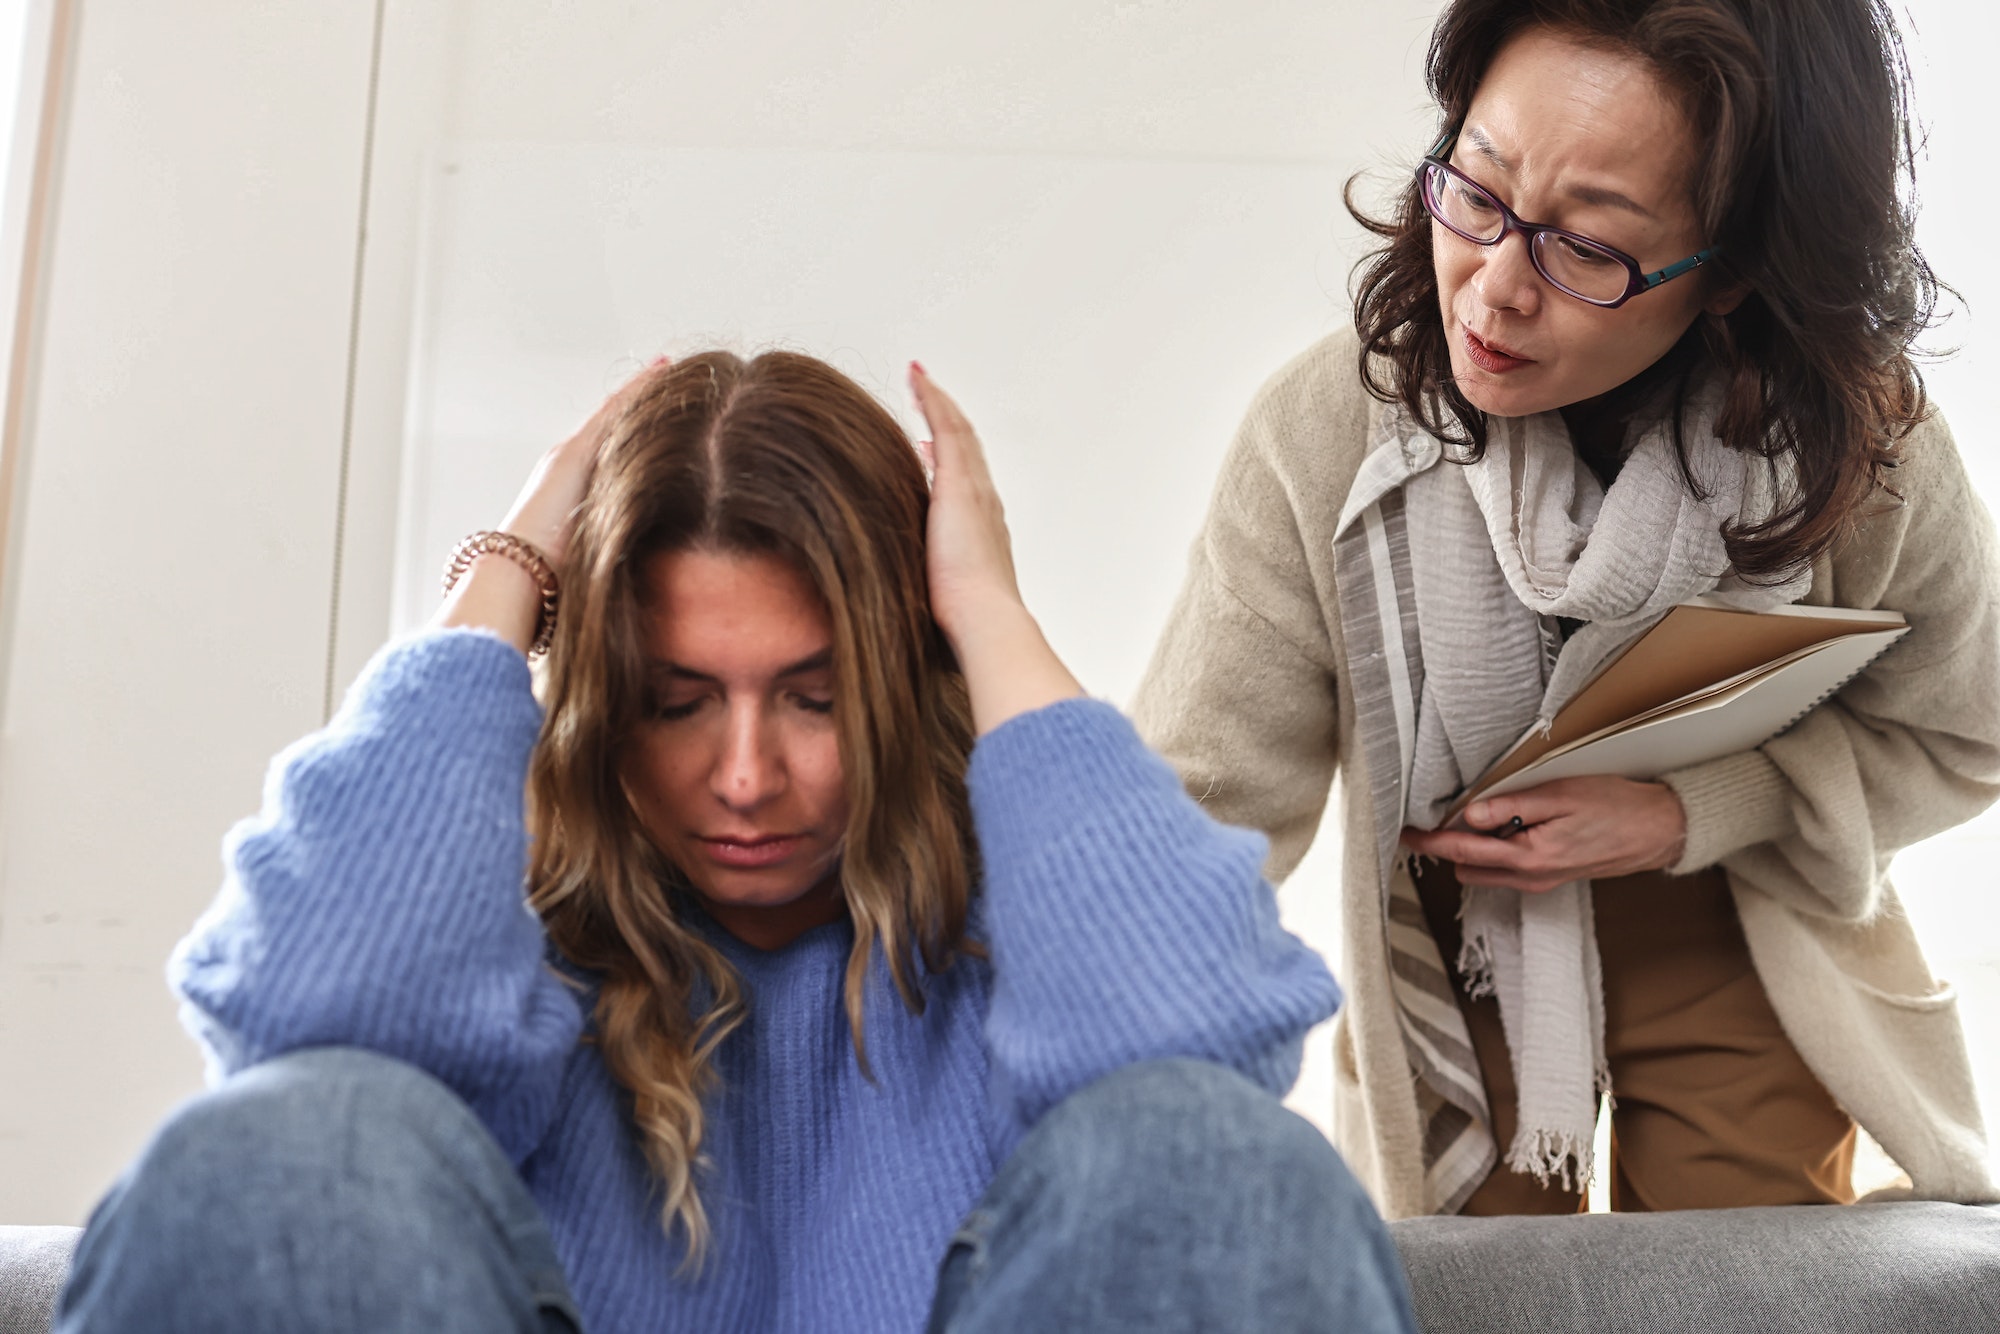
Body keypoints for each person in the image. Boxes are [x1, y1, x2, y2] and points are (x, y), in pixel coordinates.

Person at [53, 353, 1417, 1332]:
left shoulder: (1039, 950)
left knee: (1202, 1145)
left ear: (905, 675)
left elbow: (1210, 1066)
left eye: (819, 697)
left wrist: (986, 614)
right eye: (675, 700)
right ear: (600, 701)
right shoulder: (488, 958)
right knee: (303, 1132)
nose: (748, 775)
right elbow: (302, 1018)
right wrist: (501, 593)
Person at [1133, 0, 2000, 1221]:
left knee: (1745, 1298)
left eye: (1584, 248)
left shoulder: (1858, 454)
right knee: (1477, 1286)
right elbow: (1196, 818)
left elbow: (1964, 734)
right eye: (1474, 193)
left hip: (1746, 916)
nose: (1489, 290)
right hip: (1457, 944)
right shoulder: (1324, 431)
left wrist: (1681, 812)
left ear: (1734, 273)